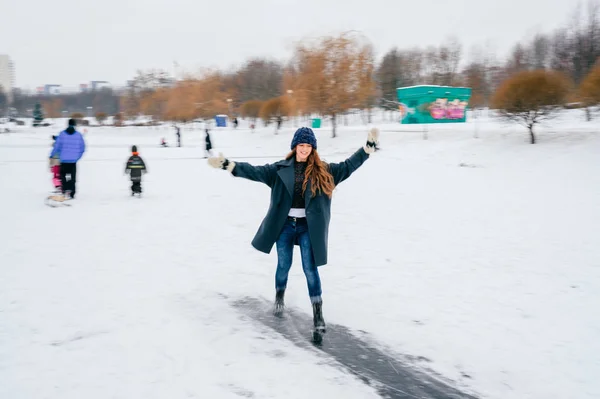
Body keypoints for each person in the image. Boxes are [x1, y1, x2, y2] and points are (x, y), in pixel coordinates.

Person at [207, 126, 379, 334]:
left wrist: (367, 150)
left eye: (308, 146)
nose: (304, 149)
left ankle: (318, 314)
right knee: (284, 265)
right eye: (301, 145)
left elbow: (348, 166)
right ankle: (280, 297)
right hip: (285, 226)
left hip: (309, 228)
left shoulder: (324, 171)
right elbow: (255, 171)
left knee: (310, 268)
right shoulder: (279, 169)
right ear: (295, 146)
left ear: (313, 148)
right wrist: (229, 165)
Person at [49, 119, 86, 199]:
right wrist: (77, 157)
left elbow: (57, 147)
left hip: (63, 160)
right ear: (75, 125)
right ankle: (72, 192)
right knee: (73, 177)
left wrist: (51, 155)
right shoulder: (78, 135)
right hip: (73, 161)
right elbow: (82, 148)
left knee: (63, 176)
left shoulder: (62, 134)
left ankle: (65, 190)